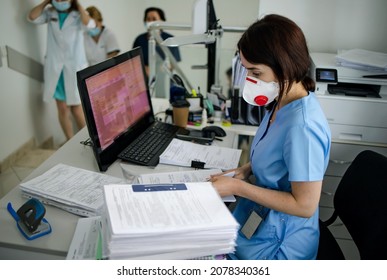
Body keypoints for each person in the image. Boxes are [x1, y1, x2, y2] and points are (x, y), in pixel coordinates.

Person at [210, 14, 331, 260]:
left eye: (255, 71)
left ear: (284, 66)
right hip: (258, 219)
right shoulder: (282, 101)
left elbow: (304, 206)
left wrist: (237, 186)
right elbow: (277, 156)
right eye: (246, 70)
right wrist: (245, 170)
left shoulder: (303, 128)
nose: (249, 80)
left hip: (281, 243)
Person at [28, 0, 95, 141]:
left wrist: (77, 4)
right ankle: (69, 140)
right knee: (62, 108)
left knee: (76, 109)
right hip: (56, 68)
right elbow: (32, 17)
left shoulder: (78, 14)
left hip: (73, 66)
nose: (59, 1)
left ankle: (90, 141)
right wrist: (46, 2)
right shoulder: (50, 12)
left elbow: (90, 24)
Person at [132, 7, 181, 97]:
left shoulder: (170, 40)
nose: (150, 22)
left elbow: (174, 64)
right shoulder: (139, 40)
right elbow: (134, 63)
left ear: (162, 21)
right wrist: (144, 69)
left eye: (154, 19)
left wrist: (161, 70)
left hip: (165, 82)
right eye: (148, 19)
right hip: (144, 83)